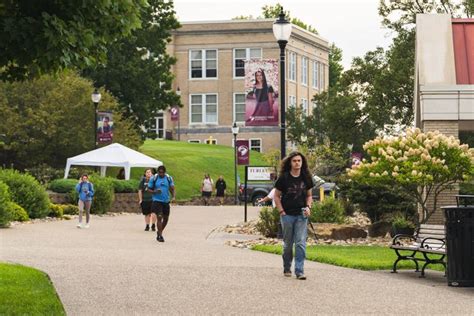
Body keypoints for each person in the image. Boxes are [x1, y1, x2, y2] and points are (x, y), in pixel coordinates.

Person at [274, 151, 314, 280]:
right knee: (288, 244)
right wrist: (282, 212)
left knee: (301, 243)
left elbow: (309, 195)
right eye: (294, 161)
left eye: (299, 161)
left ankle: (299, 271)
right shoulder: (284, 178)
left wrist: (308, 207)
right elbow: (276, 196)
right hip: (287, 215)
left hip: (301, 215)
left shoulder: (306, 177)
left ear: (302, 163)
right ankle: (287, 267)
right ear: (290, 163)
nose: (297, 163)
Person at [148, 165, 175, 242]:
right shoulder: (154, 178)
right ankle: (160, 236)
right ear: (157, 172)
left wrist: (173, 196)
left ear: (165, 172)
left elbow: (172, 188)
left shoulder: (169, 178)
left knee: (166, 219)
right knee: (159, 217)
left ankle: (159, 232)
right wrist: (155, 191)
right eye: (159, 172)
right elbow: (148, 189)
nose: (161, 174)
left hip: (166, 201)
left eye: (162, 172)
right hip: (157, 201)